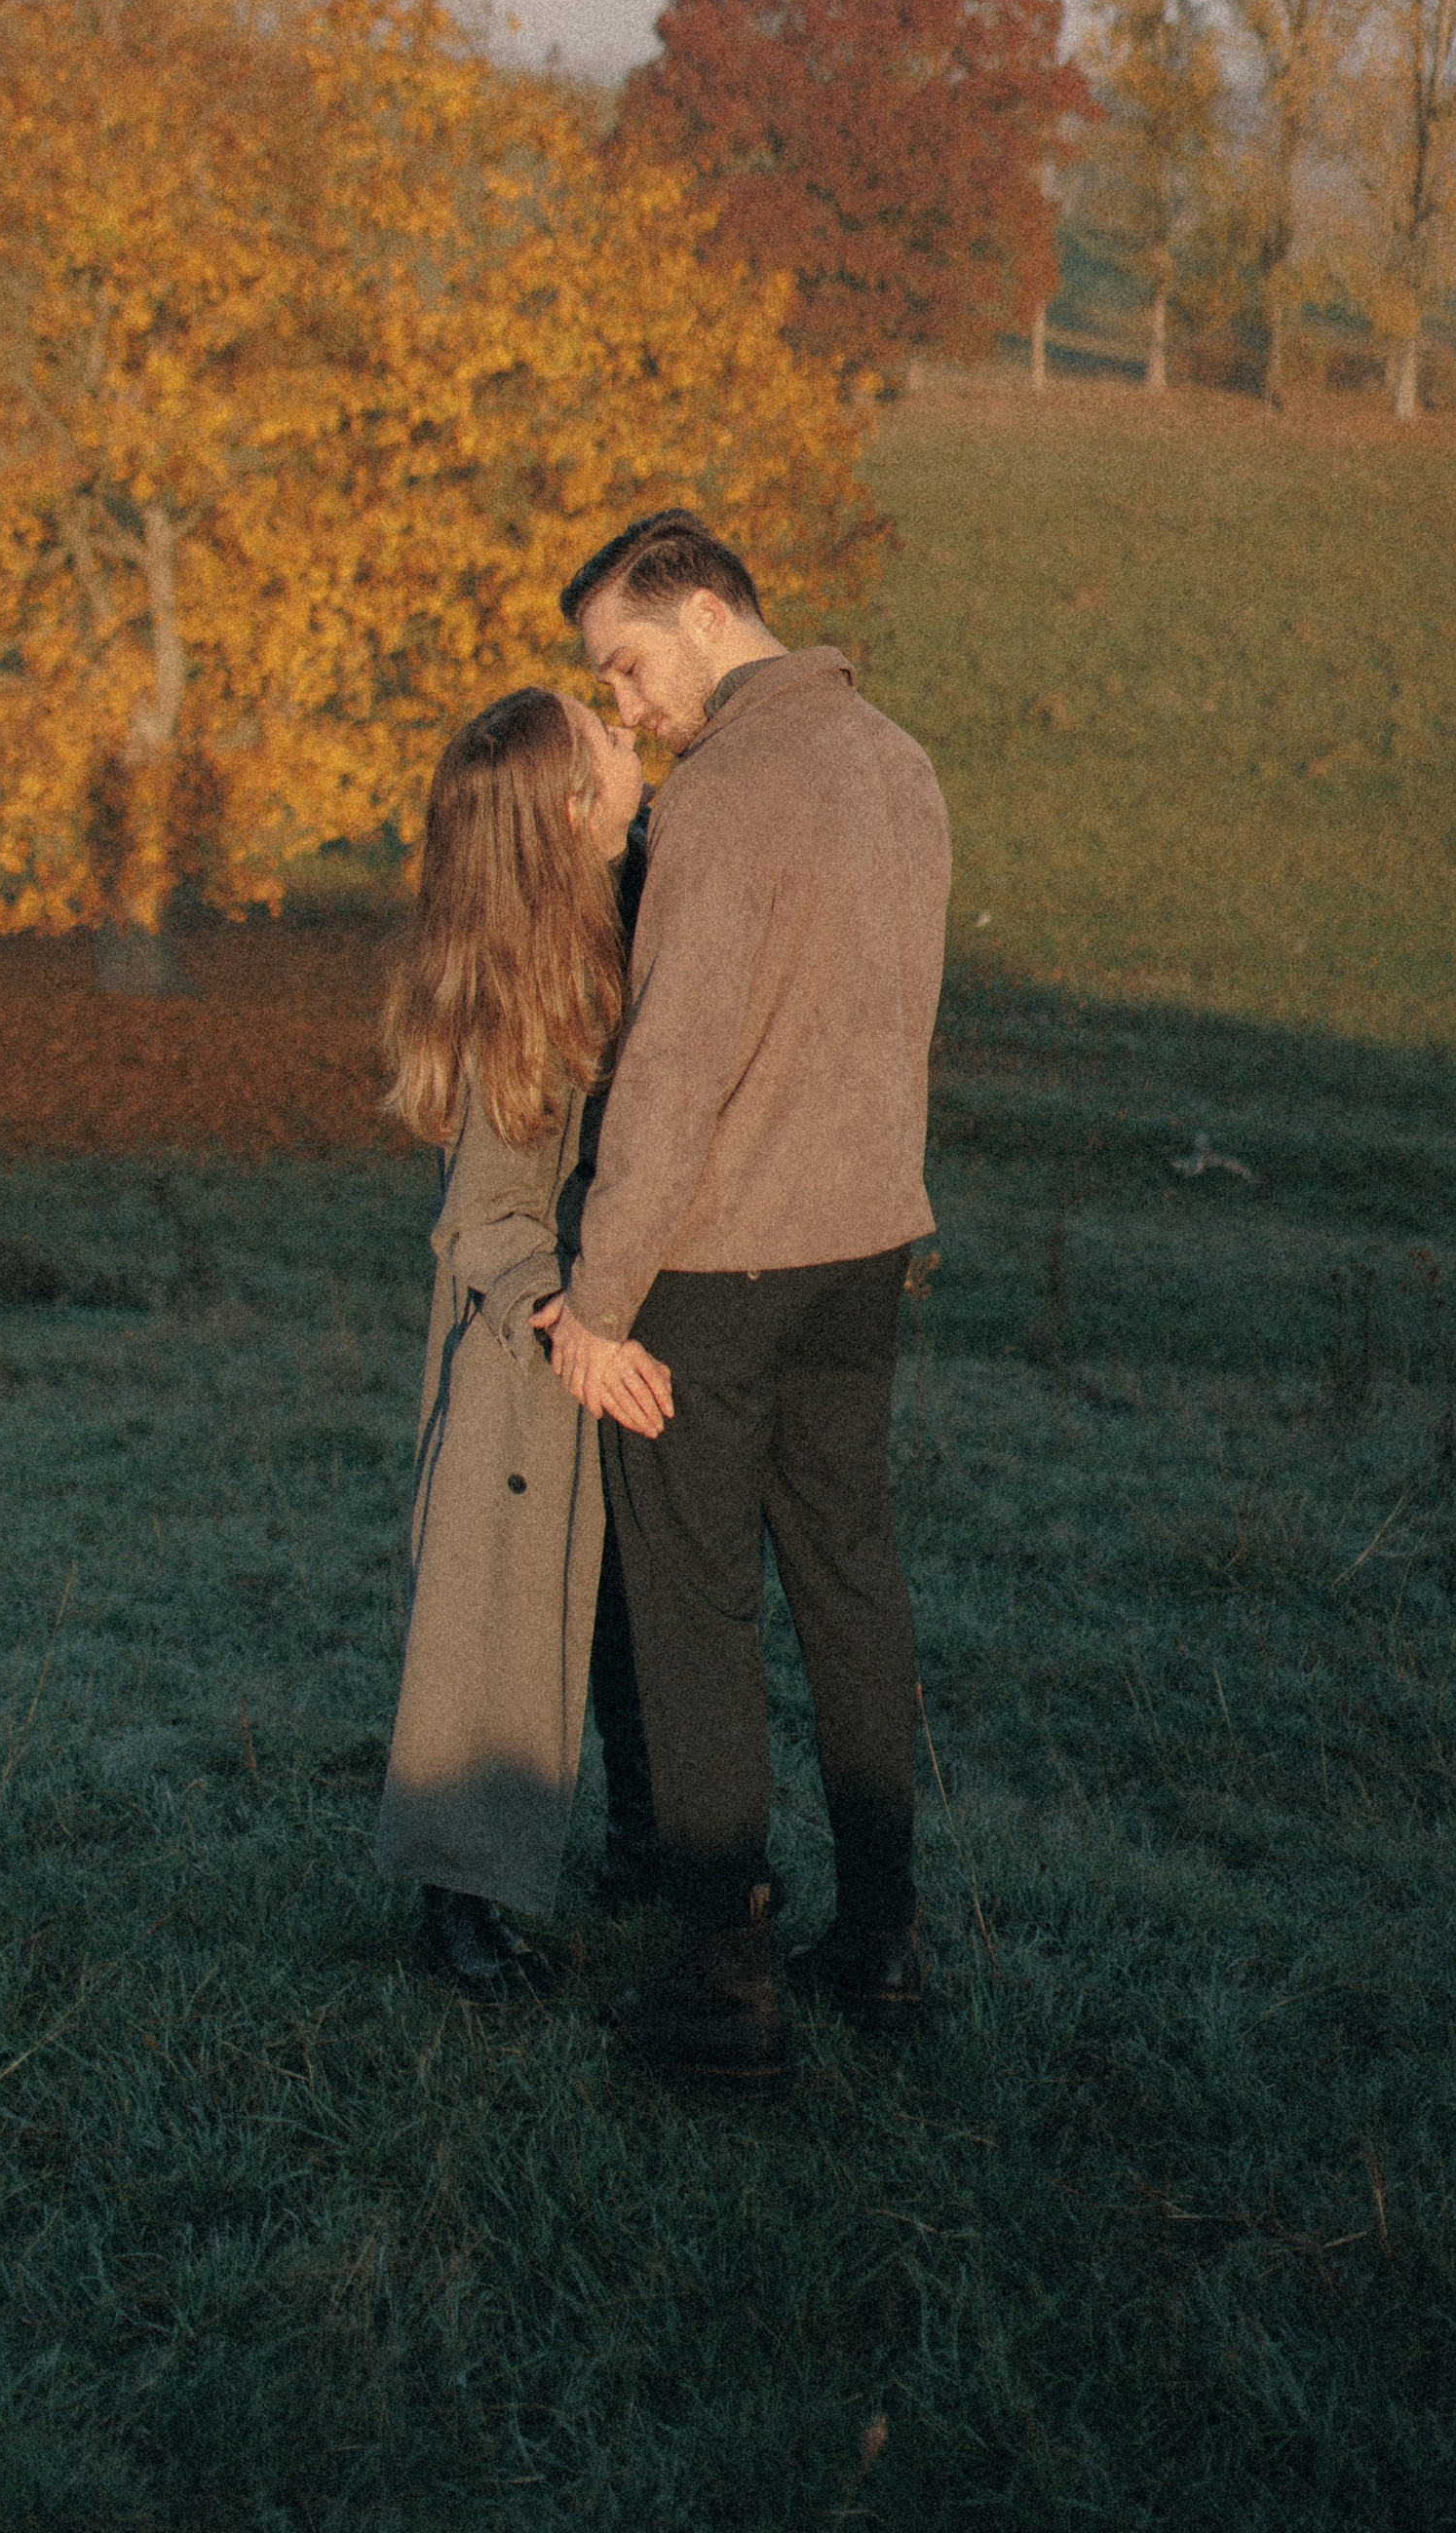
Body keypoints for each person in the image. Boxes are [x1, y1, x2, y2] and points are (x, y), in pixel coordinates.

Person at [539, 509, 952, 2092]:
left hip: (711, 1272)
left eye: (628, 668)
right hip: (864, 1258)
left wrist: (594, 1302)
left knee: (696, 1611)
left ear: (709, 611)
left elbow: (668, 1085)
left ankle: (723, 1985)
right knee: (852, 1580)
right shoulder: (901, 766)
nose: (627, 710)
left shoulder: (718, 803)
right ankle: (884, 1942)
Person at [372, 685, 671, 2002]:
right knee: (498, 1632)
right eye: (606, 742)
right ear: (568, 804)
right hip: (530, 1369)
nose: (633, 740)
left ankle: (643, 1857)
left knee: (620, 1623)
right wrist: (572, 1324)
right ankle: (463, 1911)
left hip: (603, 1343)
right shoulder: (527, 990)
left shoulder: (626, 901)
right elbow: (487, 1214)